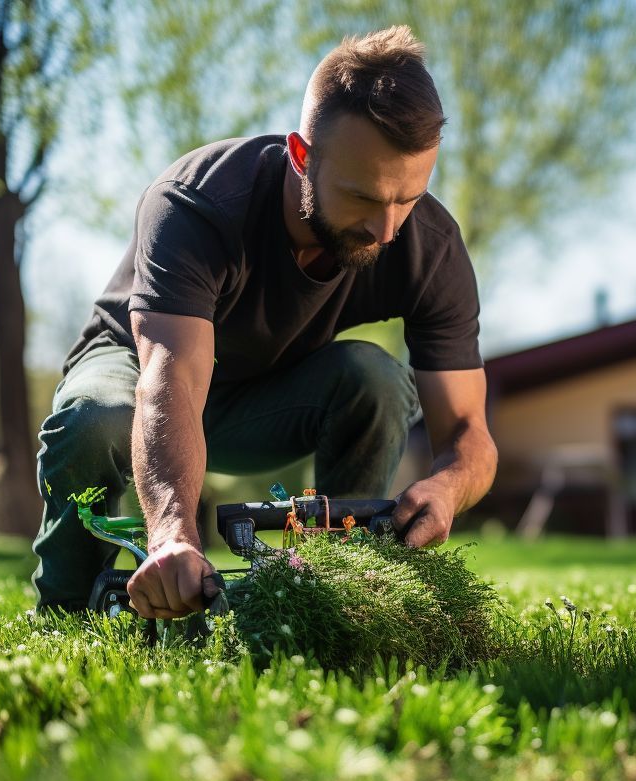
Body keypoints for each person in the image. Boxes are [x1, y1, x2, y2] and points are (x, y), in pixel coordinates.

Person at [31, 26, 498, 618]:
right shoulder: (196, 203)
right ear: (301, 157)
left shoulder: (429, 247)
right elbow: (169, 381)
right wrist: (172, 532)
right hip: (141, 380)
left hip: (264, 403)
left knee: (376, 380)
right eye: (362, 197)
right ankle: (67, 610)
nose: (386, 229)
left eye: (407, 198)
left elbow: (468, 435)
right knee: (97, 419)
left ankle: (337, 592)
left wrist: (446, 488)